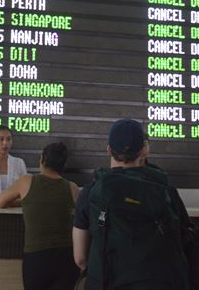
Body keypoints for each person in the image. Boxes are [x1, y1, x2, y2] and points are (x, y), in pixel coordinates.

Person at [72, 119, 189, 290]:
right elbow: (183, 242)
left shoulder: (90, 193)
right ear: (144, 150)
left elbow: (80, 258)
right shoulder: (167, 191)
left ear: (109, 149)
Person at [0, 142, 80, 289]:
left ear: (42, 159)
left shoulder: (26, 181)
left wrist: (25, 201)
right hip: (66, 258)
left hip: (36, 259)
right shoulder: (72, 188)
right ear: (63, 165)